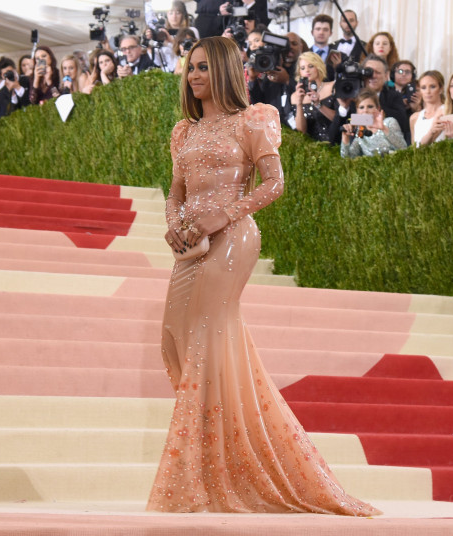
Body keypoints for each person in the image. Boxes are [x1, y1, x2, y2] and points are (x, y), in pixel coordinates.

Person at [146, 35, 381, 517]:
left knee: (207, 339)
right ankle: (228, 450)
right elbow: (175, 191)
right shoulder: (182, 131)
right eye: (191, 68)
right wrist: (174, 223)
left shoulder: (253, 119)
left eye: (205, 68)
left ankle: (201, 470)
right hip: (190, 241)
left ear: (227, 72)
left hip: (233, 237)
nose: (195, 76)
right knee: (175, 339)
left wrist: (222, 215)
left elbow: (275, 183)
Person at [341, 90, 407, 158]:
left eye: (370, 106)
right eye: (361, 107)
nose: (365, 110)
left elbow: (403, 148)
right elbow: (348, 158)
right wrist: (345, 138)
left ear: (378, 108)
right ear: (357, 111)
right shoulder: (360, 130)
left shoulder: (389, 121)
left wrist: (384, 128)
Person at [291, 51, 335, 142]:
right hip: (311, 149)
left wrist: (319, 105)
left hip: (334, 143)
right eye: (303, 68)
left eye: (310, 66)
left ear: (318, 67)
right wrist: (299, 103)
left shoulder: (332, 87)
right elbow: (301, 131)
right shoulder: (295, 96)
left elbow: (339, 119)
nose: (307, 70)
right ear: (299, 72)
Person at [410, 70, 446, 147]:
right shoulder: (414, 118)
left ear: (441, 89)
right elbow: (414, 149)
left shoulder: (447, 111)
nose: (428, 91)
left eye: (432, 87)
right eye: (423, 87)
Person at [310, 14, 342, 81]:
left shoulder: (339, 57)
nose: (321, 32)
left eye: (325, 29)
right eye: (318, 29)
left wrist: (338, 68)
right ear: (312, 32)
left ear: (330, 33)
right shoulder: (304, 54)